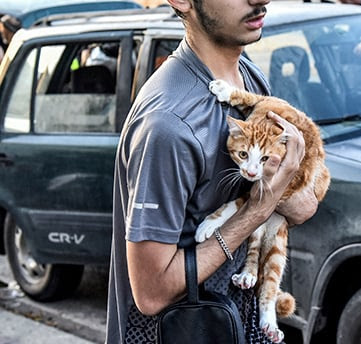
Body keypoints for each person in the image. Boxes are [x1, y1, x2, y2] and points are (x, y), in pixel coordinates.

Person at [105, 0, 318, 343]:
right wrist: (258, 209)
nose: (261, 0)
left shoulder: (249, 78)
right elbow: (151, 293)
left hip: (238, 326)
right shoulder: (168, 124)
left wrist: (287, 183)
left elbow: (303, 205)